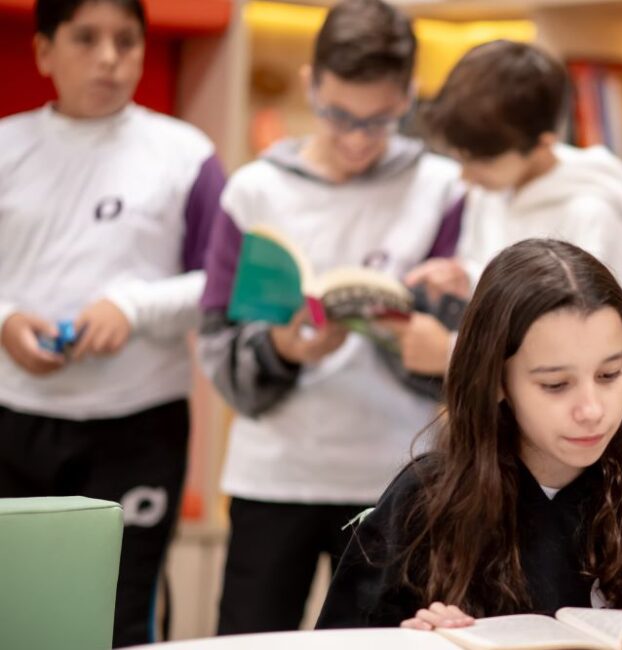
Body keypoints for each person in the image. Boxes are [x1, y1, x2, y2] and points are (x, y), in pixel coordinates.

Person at [196, 0, 462, 634]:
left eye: (379, 119)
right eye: (338, 114)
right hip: (273, 475)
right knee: (251, 645)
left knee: (388, 644)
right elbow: (215, 347)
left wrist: (430, 345)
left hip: (399, 480)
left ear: (409, 95)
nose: (355, 137)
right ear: (310, 82)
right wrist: (286, 350)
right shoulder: (255, 189)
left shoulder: (445, 187)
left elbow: (469, 351)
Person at [315, 239, 622, 629]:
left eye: (609, 375)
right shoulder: (424, 505)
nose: (591, 410)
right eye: (556, 384)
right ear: (497, 381)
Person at [0, 0, 224, 645]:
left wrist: (132, 307)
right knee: (16, 606)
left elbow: (223, 283)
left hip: (139, 424)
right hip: (16, 419)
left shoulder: (184, 154)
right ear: (44, 51)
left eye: (126, 41)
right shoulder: (9, 147)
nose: (108, 58)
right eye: (86, 38)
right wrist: (7, 319)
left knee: (124, 614)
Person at [392, 39, 622, 378]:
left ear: (543, 143)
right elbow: (507, 286)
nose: (466, 176)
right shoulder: (492, 190)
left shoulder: (596, 213)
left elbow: (584, 341)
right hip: (501, 412)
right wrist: (467, 277)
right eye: (460, 158)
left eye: (481, 162)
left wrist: (451, 352)